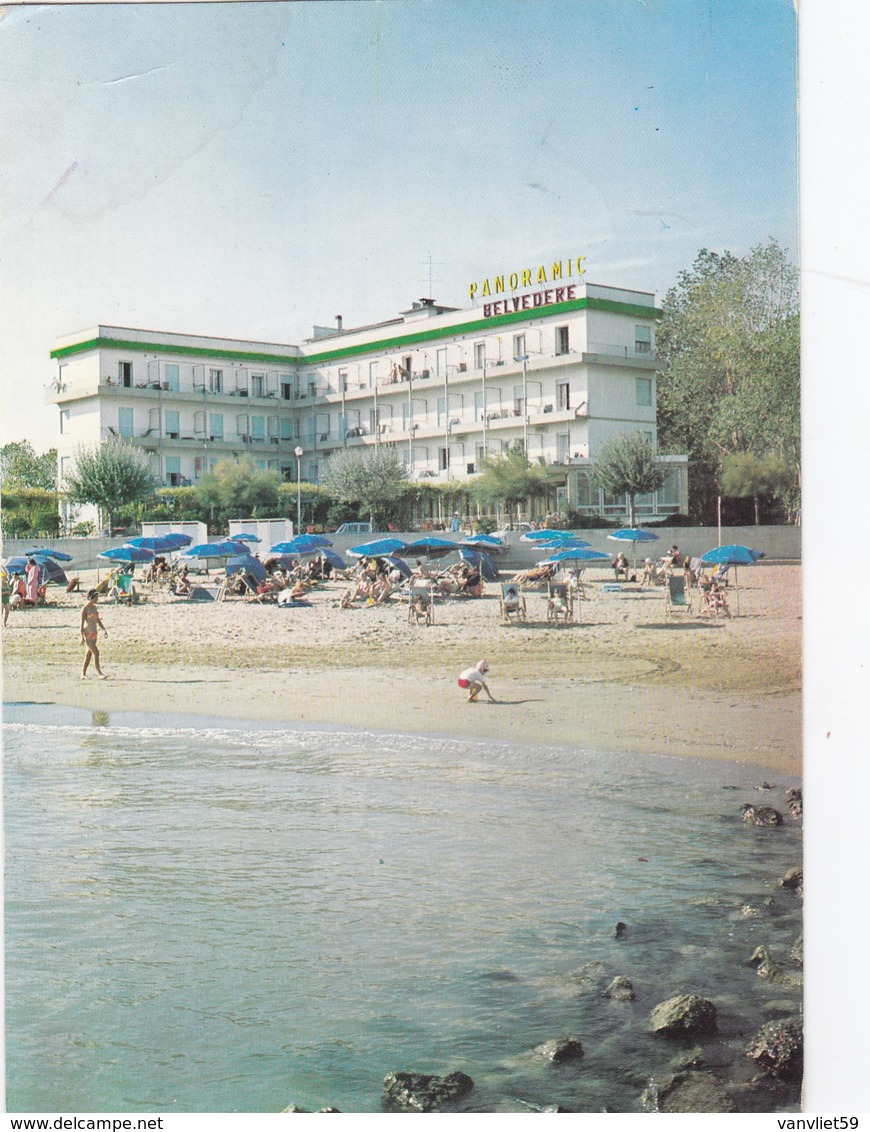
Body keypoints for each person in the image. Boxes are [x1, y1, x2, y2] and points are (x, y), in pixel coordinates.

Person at [80, 590, 109, 679]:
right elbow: (81, 623)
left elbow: (97, 620)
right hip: (87, 634)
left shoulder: (94, 608)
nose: (97, 599)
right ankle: (100, 673)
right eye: (96, 597)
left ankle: (83, 674)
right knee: (96, 653)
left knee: (88, 655)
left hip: (94, 633)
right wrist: (81, 637)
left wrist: (103, 629)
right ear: (92, 597)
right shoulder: (85, 608)